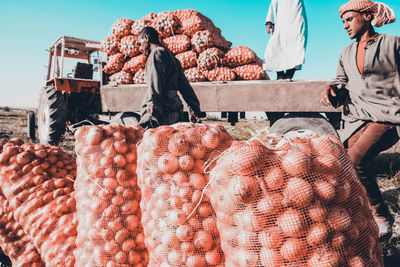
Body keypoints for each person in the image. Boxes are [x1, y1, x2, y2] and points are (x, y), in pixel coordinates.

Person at [320, 0, 397, 240]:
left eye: (349, 19)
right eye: (342, 21)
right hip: (357, 119)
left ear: (366, 16)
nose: (345, 25)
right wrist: (332, 89)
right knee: (348, 168)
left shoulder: (392, 44)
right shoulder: (346, 53)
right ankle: (361, 219)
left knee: (356, 160)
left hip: (386, 117)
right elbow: (342, 82)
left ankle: (382, 216)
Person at [137, 26, 202, 129]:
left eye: (140, 43)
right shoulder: (173, 58)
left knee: (151, 141)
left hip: (163, 112)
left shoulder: (156, 54)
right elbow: (185, 86)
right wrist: (194, 109)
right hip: (175, 109)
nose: (140, 48)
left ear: (146, 38)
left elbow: (155, 84)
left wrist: (153, 106)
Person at [263, 0, 308, 80]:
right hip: (281, 22)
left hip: (297, 20)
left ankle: (289, 74)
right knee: (275, 45)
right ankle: (279, 74)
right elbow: (273, 3)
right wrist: (269, 22)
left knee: (297, 47)